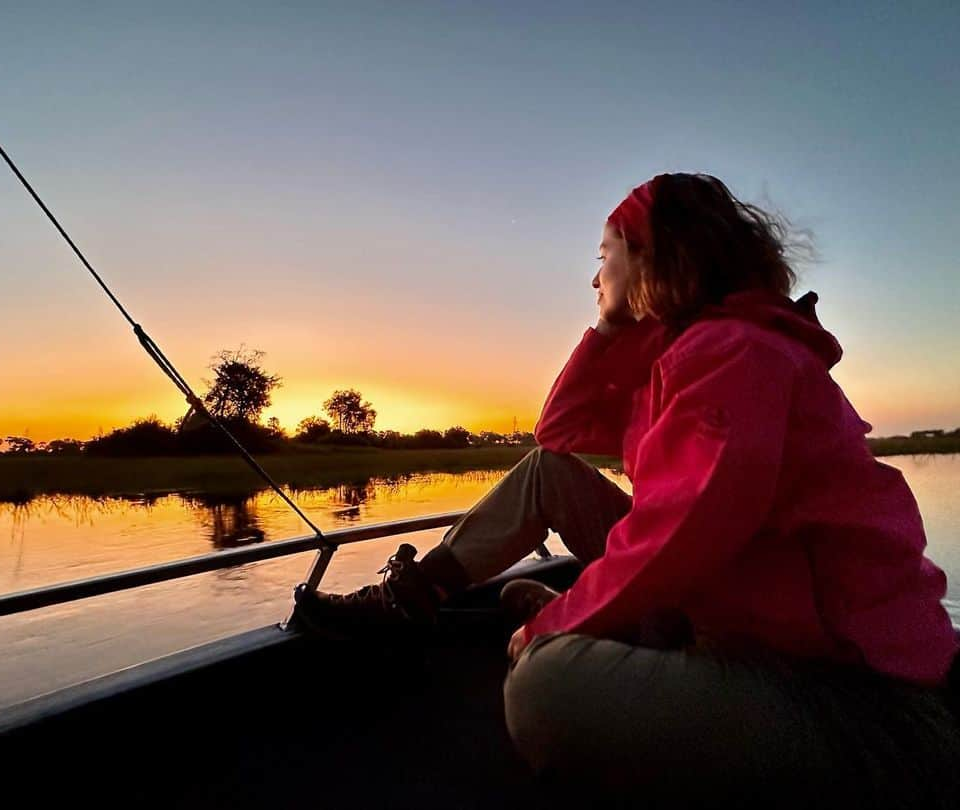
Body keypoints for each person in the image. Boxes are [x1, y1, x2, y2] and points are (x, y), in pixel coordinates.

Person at [293, 173, 960, 808]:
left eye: (605, 255)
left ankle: (617, 631)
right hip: (742, 623)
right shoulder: (686, 353)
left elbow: (682, 534)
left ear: (652, 258)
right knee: (546, 475)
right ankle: (416, 596)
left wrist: (547, 629)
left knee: (541, 689)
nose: (594, 276)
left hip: (858, 705)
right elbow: (557, 434)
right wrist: (610, 329)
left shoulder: (738, 355)